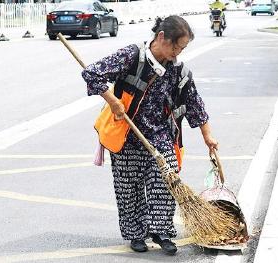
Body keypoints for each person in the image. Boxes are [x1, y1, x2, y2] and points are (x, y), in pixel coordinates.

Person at [81, 16, 218, 255]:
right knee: (129, 187)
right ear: (162, 37)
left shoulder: (178, 70)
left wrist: (208, 136)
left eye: (182, 49)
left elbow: (195, 102)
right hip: (127, 134)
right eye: (176, 47)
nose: (177, 53)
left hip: (161, 134)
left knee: (166, 180)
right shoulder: (132, 56)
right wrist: (112, 101)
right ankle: (135, 233)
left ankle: (161, 230)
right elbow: (92, 73)